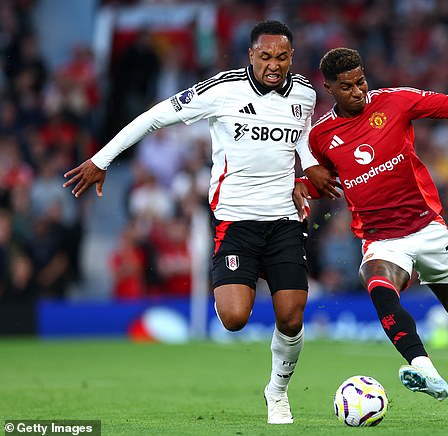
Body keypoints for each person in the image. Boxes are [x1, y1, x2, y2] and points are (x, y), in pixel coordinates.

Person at [63, 20, 335, 425]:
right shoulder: (220, 90)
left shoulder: (305, 93)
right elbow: (154, 117)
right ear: (251, 55)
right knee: (233, 318)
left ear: (292, 56)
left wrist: (308, 167)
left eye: (281, 57)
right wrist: (102, 159)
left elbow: (299, 136)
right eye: (265, 57)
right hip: (235, 222)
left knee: (292, 315)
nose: (273, 65)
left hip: (282, 218)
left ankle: (277, 393)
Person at [296, 48, 448, 420]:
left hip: (428, 229)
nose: (357, 91)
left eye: (361, 82)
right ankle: (427, 371)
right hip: (381, 239)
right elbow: (326, 182)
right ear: (329, 88)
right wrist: (303, 183)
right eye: (346, 86)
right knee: (378, 286)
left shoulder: (396, 101)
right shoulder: (321, 135)